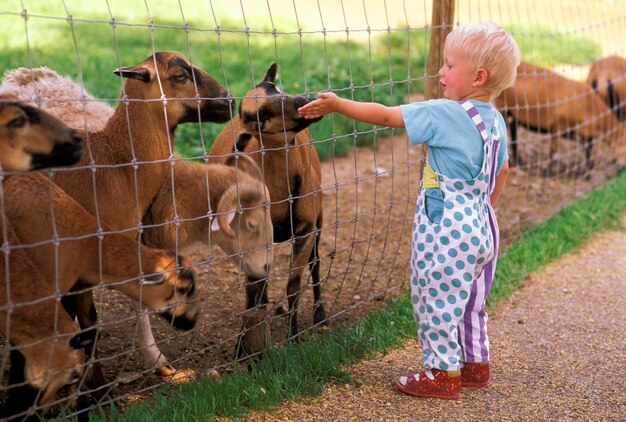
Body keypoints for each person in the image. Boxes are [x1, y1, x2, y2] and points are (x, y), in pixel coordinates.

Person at [298, 22, 519, 399]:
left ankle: (442, 373)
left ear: (478, 76)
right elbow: (503, 172)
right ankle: (475, 365)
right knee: (471, 301)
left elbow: (385, 115)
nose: (440, 72)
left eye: (450, 65)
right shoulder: (496, 120)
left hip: (447, 225)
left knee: (435, 297)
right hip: (482, 222)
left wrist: (338, 105)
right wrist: (482, 210)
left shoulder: (444, 113)